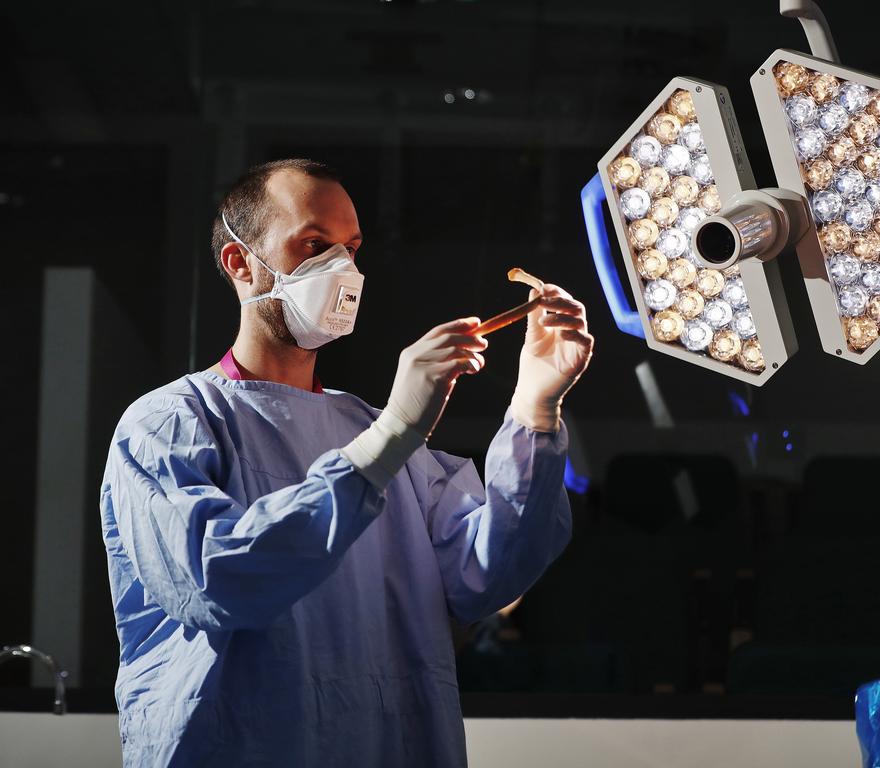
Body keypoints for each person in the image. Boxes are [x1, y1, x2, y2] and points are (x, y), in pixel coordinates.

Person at [99, 158, 594, 767]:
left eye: (351, 249)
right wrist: (390, 437)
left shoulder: (376, 438)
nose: (342, 269)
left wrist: (535, 406)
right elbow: (219, 580)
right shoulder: (172, 424)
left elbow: (489, 574)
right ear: (240, 263)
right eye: (314, 245)